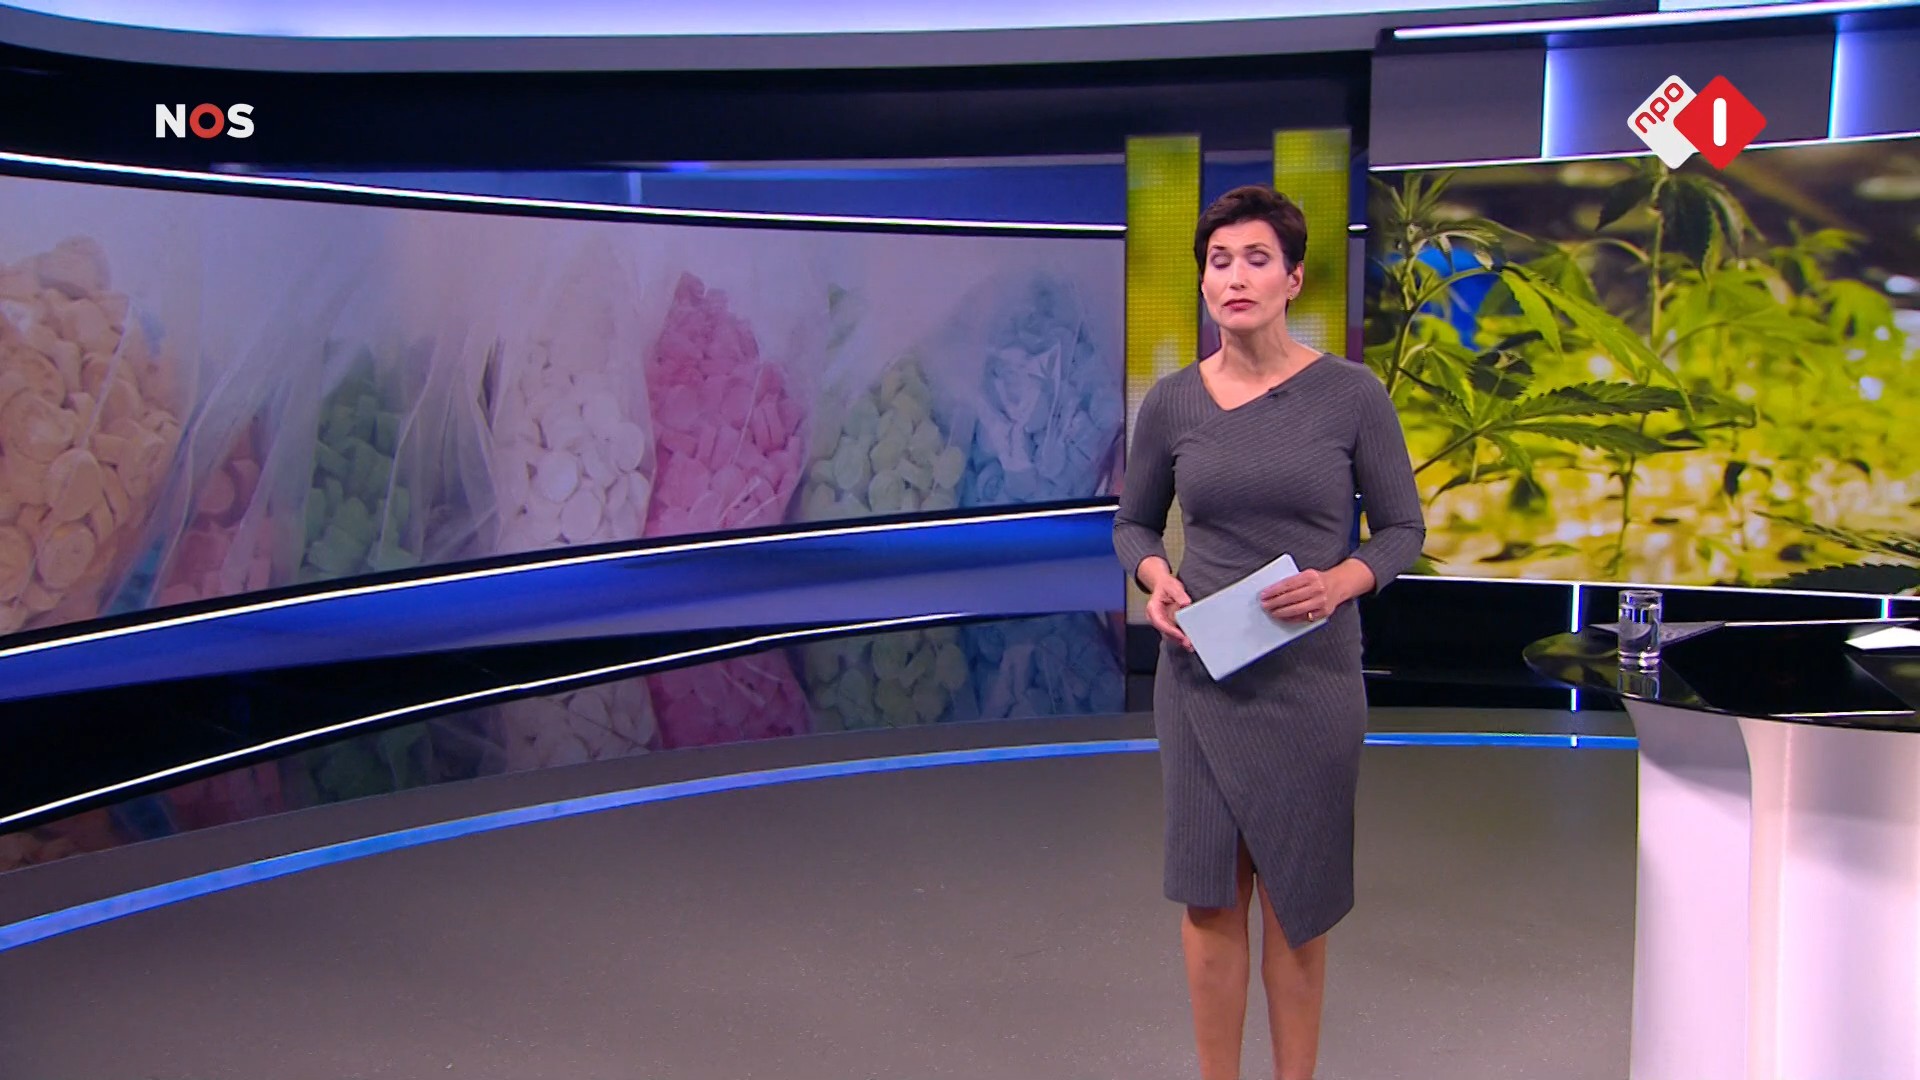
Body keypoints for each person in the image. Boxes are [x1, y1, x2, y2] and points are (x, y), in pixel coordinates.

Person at [1112, 185, 1425, 1080]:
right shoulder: (1172, 403)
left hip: (1311, 680)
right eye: (1219, 262)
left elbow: (1402, 529)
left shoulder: (1351, 395)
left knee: (1297, 899)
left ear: (1293, 279)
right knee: (1210, 898)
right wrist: (1156, 578)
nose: (1236, 277)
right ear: (1203, 282)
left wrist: (1340, 582)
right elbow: (1134, 524)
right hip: (1201, 675)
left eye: (1257, 260)